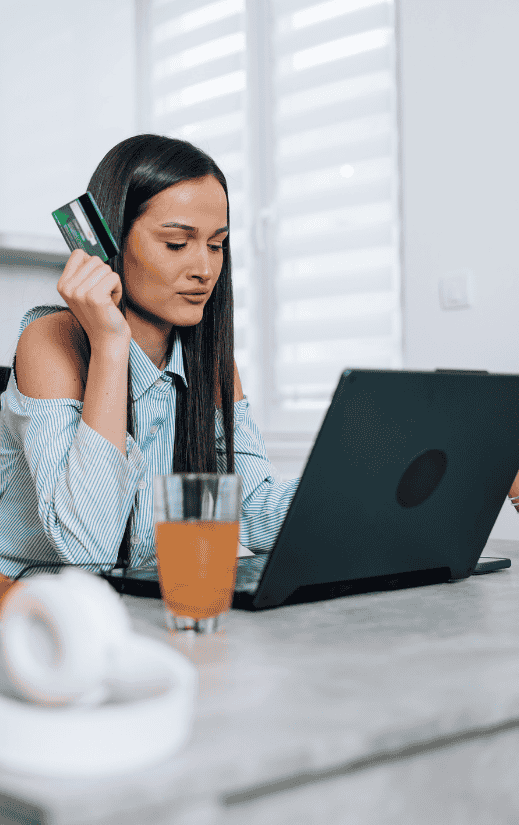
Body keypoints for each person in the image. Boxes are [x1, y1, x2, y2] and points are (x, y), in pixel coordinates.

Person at [0, 134, 300, 597]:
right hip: (36, 614)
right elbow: (89, 547)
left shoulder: (210, 363)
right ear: (110, 242)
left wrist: (347, 496)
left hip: (142, 604)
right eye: (178, 243)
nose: (204, 269)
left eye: (217, 245)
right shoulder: (50, 342)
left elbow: (252, 506)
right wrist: (110, 343)